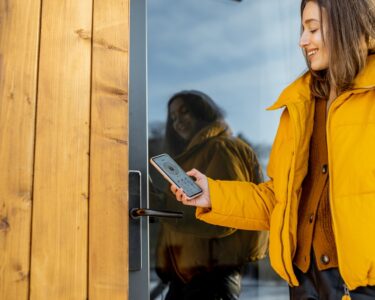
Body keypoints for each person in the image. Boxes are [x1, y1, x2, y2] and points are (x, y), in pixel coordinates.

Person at [170, 0, 375, 299]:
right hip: (305, 283)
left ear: (347, 25)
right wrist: (211, 194)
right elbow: (278, 201)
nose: (303, 41)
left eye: (313, 29)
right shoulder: (299, 107)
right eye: (302, 29)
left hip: (362, 285)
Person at [151, 90, 269, 300]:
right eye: (173, 117)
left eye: (184, 112)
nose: (178, 122)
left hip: (210, 277)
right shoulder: (195, 154)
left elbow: (226, 216)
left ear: (202, 112)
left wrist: (164, 211)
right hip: (187, 276)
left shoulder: (221, 148)